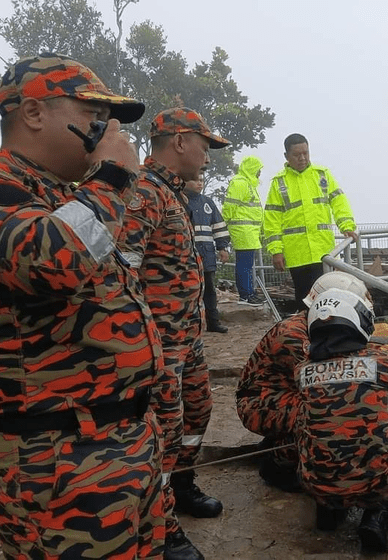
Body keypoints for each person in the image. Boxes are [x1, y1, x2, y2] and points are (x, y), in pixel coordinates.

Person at [0, 52, 166, 559]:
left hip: (124, 441)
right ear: (33, 114)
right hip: (55, 458)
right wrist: (115, 177)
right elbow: (50, 260)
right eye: (93, 117)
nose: (106, 131)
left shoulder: (65, 194)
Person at [120, 107, 230, 560]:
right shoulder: (144, 192)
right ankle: (161, 527)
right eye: (204, 145)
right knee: (162, 432)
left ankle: (182, 485)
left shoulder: (172, 191)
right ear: (180, 141)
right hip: (159, 343)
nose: (208, 156)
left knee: (196, 415)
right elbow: (120, 268)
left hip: (188, 337)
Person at [295, 288, 388, 553]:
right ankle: (377, 518)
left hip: (315, 483)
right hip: (376, 483)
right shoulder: (381, 360)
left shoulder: (302, 370)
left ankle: (330, 510)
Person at [237, 271, 372, 491]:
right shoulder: (294, 335)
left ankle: (284, 445)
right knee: (328, 407)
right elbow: (324, 379)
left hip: (277, 396)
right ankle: (280, 461)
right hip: (259, 404)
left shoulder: (313, 324)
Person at [263, 133, 358, 307]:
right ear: (286, 156)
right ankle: (306, 333)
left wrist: (346, 225)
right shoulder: (279, 183)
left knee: (329, 297)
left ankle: (328, 332)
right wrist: (276, 250)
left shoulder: (322, 175)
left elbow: (339, 201)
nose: (302, 158)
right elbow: (271, 219)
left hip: (324, 251)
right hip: (297, 254)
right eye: (297, 155)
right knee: (305, 300)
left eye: (306, 153)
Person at [185, 176, 231, 333]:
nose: (199, 183)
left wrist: (222, 248)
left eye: (202, 181)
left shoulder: (208, 203)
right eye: (195, 180)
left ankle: (213, 322)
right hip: (187, 256)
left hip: (207, 256)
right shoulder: (179, 200)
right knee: (189, 290)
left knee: (209, 291)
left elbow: (218, 227)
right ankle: (190, 325)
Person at [222, 155, 265, 306]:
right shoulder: (240, 183)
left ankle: (249, 293)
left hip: (249, 231)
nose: (260, 173)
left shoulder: (247, 183)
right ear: (252, 169)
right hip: (242, 230)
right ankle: (246, 295)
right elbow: (229, 207)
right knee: (244, 264)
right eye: (258, 170)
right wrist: (223, 226)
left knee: (247, 264)